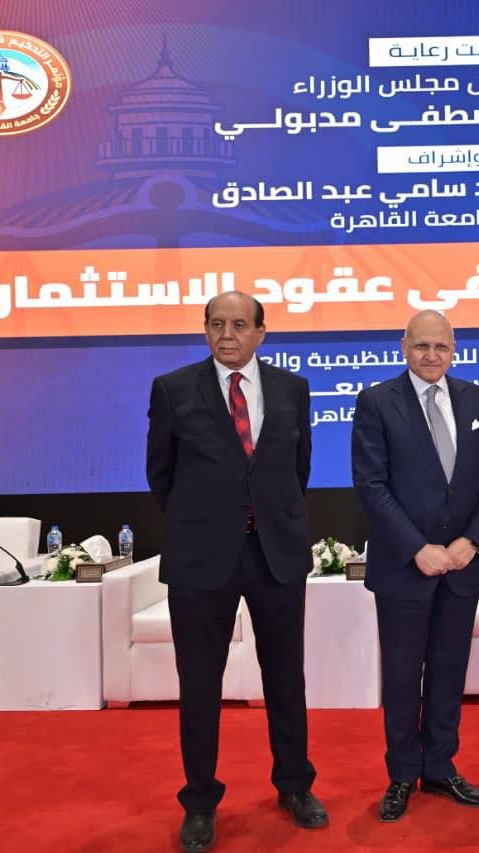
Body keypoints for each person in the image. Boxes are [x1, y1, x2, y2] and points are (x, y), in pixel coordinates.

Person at [146, 291, 326, 853]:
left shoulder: (293, 389)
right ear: (205, 330)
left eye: (240, 324)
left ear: (260, 332)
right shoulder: (173, 388)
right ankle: (200, 802)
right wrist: (207, 523)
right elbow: (161, 476)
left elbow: (298, 469)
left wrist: (268, 519)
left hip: (276, 554)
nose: (228, 334)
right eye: (218, 324)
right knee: (200, 685)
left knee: (286, 679)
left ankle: (295, 785)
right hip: (201, 559)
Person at [351, 310, 479, 822]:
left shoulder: (477, 400)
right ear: (404, 346)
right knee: (401, 678)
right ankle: (401, 774)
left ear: (454, 348)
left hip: (462, 566)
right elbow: (371, 485)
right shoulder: (376, 402)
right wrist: (418, 548)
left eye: (441, 346)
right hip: (404, 568)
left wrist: (472, 541)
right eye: (421, 346)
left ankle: (439, 768)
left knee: (448, 671)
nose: (431, 355)